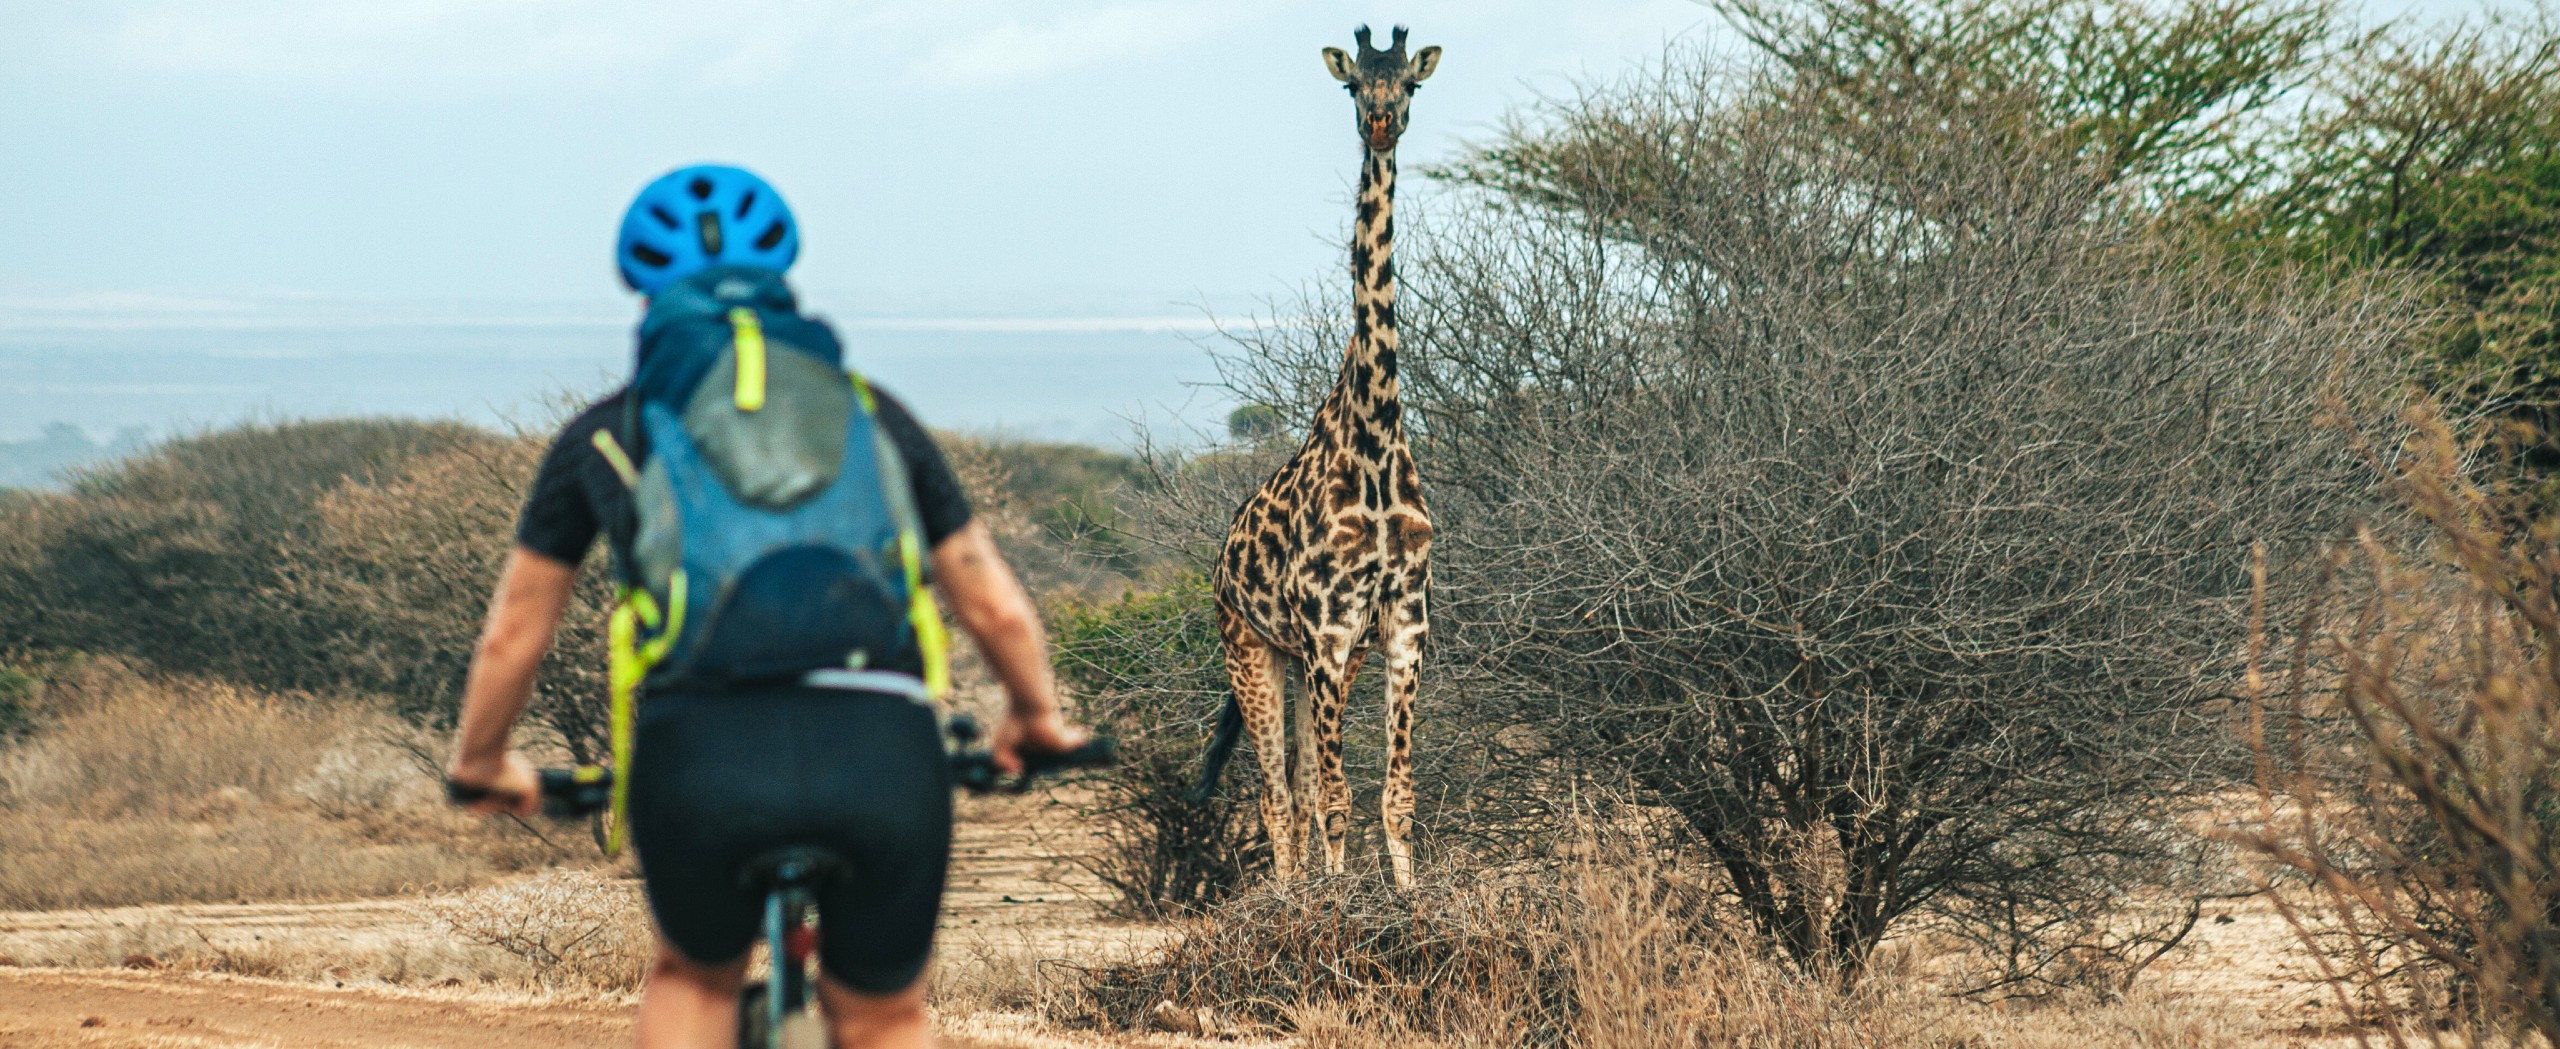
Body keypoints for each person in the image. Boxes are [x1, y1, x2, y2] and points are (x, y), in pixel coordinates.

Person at [443, 163, 1087, 1049]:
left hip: (702, 754)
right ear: (786, 282)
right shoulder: (874, 415)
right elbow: (995, 606)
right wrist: (1036, 718)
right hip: (880, 750)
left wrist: (482, 765)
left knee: (695, 978)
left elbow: (517, 630)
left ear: (644, 295)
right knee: (886, 1014)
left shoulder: (607, 429)